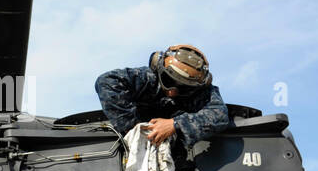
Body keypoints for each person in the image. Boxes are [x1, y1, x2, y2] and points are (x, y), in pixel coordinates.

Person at [94, 44, 231, 162]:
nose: (172, 92)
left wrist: (174, 124)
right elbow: (106, 82)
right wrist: (134, 130)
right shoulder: (149, 78)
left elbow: (219, 115)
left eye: (182, 88)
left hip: (177, 153)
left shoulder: (203, 92)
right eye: (169, 81)